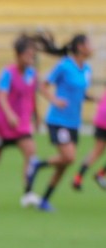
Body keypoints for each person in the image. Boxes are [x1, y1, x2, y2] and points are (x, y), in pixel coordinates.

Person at [0, 35, 57, 210]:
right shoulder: (8, 73)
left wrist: (37, 117)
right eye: (28, 54)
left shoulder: (32, 74)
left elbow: (32, 96)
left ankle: (28, 193)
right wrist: (10, 115)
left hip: (20, 126)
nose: (32, 58)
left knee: (31, 153)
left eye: (33, 54)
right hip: (1, 125)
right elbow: (2, 97)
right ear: (19, 55)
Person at [24, 33, 93, 212]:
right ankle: (37, 165)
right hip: (58, 120)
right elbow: (42, 86)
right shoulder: (64, 65)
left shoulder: (86, 69)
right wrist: (54, 100)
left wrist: (94, 98)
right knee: (69, 157)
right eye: (88, 44)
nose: (92, 47)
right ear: (80, 47)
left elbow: (79, 93)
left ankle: (44, 200)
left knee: (64, 165)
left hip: (74, 122)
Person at [71, 87, 106, 191]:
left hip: (101, 118)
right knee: (97, 151)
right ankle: (100, 174)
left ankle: (78, 177)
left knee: (97, 151)